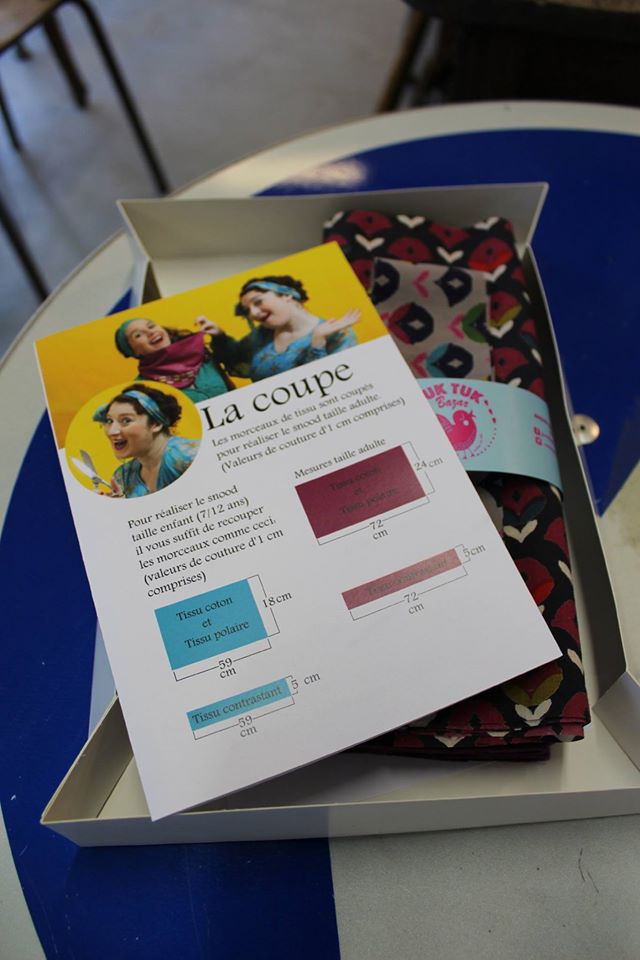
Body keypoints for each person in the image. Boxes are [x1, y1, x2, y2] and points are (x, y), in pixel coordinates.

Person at [202, 275, 360, 381]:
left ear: (286, 295)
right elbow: (235, 357)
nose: (253, 313)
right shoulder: (262, 334)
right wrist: (219, 335)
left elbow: (336, 386)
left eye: (258, 302)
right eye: (247, 310)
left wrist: (318, 344)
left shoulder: (338, 335)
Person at [92, 384, 199, 498]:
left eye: (126, 420)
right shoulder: (123, 476)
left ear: (156, 424)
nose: (111, 431)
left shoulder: (189, 456)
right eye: (109, 421)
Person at [114, 317, 231, 402]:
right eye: (138, 335)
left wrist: (220, 337)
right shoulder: (142, 389)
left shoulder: (200, 352)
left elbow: (237, 363)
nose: (150, 332)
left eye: (151, 326)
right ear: (134, 352)